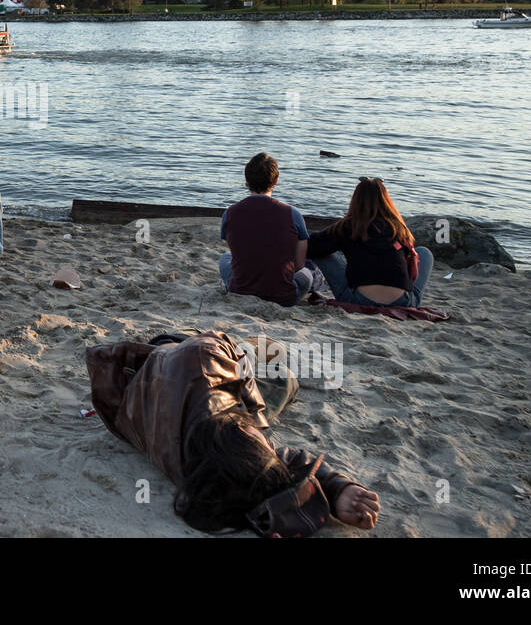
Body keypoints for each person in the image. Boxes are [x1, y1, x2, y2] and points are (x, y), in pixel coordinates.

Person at [86, 331, 380, 536]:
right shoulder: (198, 468)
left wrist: (334, 488)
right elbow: (270, 462)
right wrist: (335, 487)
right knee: (284, 379)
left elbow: (270, 459)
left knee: (265, 363)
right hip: (167, 368)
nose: (266, 442)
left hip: (173, 345)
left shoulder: (205, 359)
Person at [308, 177, 434, 308]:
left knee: (323, 251)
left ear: (355, 200)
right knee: (424, 253)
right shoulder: (399, 227)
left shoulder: (348, 226)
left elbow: (312, 246)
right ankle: (414, 299)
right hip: (403, 302)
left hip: (358, 300)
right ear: (386, 201)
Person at [218, 152, 313, 305]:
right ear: (276, 181)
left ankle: (232, 287)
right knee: (307, 273)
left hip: (241, 291)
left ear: (247, 181)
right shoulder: (293, 214)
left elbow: (237, 253)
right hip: (284, 297)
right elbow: (299, 265)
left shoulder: (229, 213)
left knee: (225, 258)